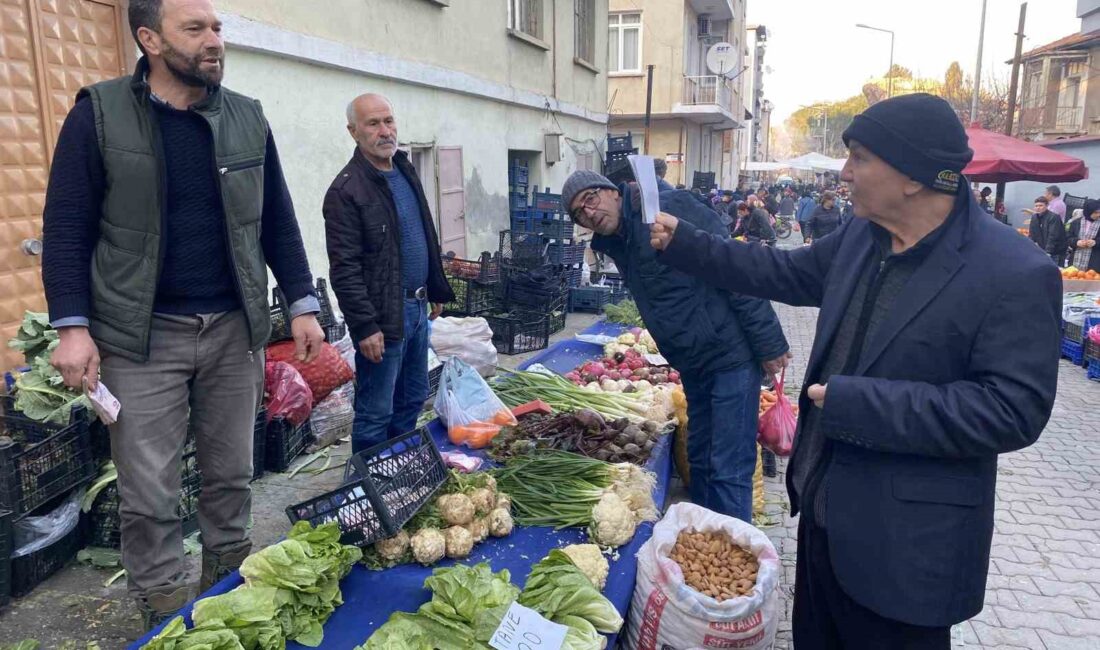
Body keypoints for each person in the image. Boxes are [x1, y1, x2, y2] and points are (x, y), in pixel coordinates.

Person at [649, 93, 1060, 648]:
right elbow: (783, 271)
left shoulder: (1014, 272)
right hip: (823, 524)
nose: (845, 173)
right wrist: (686, 244)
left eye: (860, 157)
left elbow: (1012, 412)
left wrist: (856, 404)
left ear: (912, 176)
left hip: (907, 553)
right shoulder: (863, 238)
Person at [41, 0, 325, 627]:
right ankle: (166, 616)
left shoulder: (247, 118)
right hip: (140, 339)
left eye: (217, 28)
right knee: (149, 497)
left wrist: (301, 301)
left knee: (232, 478)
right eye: (194, 29)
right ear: (149, 39)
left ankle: (225, 597)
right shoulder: (100, 113)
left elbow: (276, 217)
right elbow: (66, 227)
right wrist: (72, 327)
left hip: (232, 332)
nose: (213, 41)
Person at [562, 170, 790, 523]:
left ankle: (735, 557)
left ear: (612, 192)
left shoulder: (668, 209)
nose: (588, 213)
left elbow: (735, 269)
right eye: (578, 213)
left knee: (728, 465)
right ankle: (705, 538)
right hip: (693, 364)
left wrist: (769, 343)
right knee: (699, 456)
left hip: (729, 356)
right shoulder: (619, 240)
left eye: (590, 199)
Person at [323, 94, 454, 457]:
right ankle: (367, 486)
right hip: (384, 315)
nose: (385, 131)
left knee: (412, 397)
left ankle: (396, 467)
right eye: (373, 124)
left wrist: (437, 286)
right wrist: (365, 327)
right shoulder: (346, 190)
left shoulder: (404, 169)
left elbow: (424, 232)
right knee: (375, 411)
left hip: (418, 306)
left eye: (389, 121)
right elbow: (344, 268)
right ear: (354, 132)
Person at [1029, 196, 1068, 265]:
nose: (1038, 208)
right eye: (1036, 206)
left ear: (1047, 206)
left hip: (1056, 250)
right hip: (1043, 249)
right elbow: (1032, 234)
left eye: (1041, 205)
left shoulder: (1054, 217)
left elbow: (1053, 236)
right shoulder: (1034, 217)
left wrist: (1048, 252)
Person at [1068, 199, 1100, 273]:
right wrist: (1076, 242)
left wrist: (1095, 242)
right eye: (1095, 212)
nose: (1098, 214)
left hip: (1094, 262)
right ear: (1088, 212)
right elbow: (1068, 238)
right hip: (1075, 260)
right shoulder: (1076, 222)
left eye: (1099, 212)